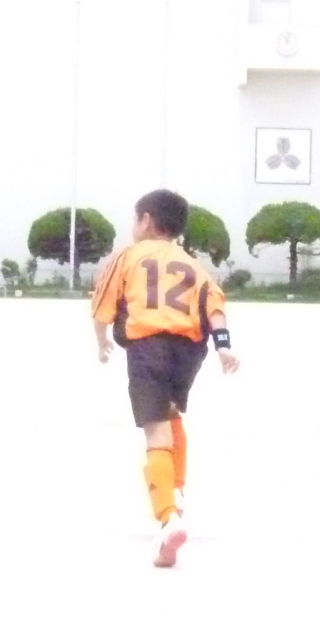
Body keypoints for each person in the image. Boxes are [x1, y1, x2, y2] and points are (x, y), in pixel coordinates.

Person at [90, 189, 240, 568]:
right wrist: (224, 347)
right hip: (188, 352)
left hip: (149, 348)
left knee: (155, 433)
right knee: (172, 415)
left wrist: (102, 341)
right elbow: (214, 305)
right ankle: (177, 489)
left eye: (134, 218)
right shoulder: (192, 264)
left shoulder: (128, 256)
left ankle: (168, 520)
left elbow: (103, 305)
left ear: (145, 221)